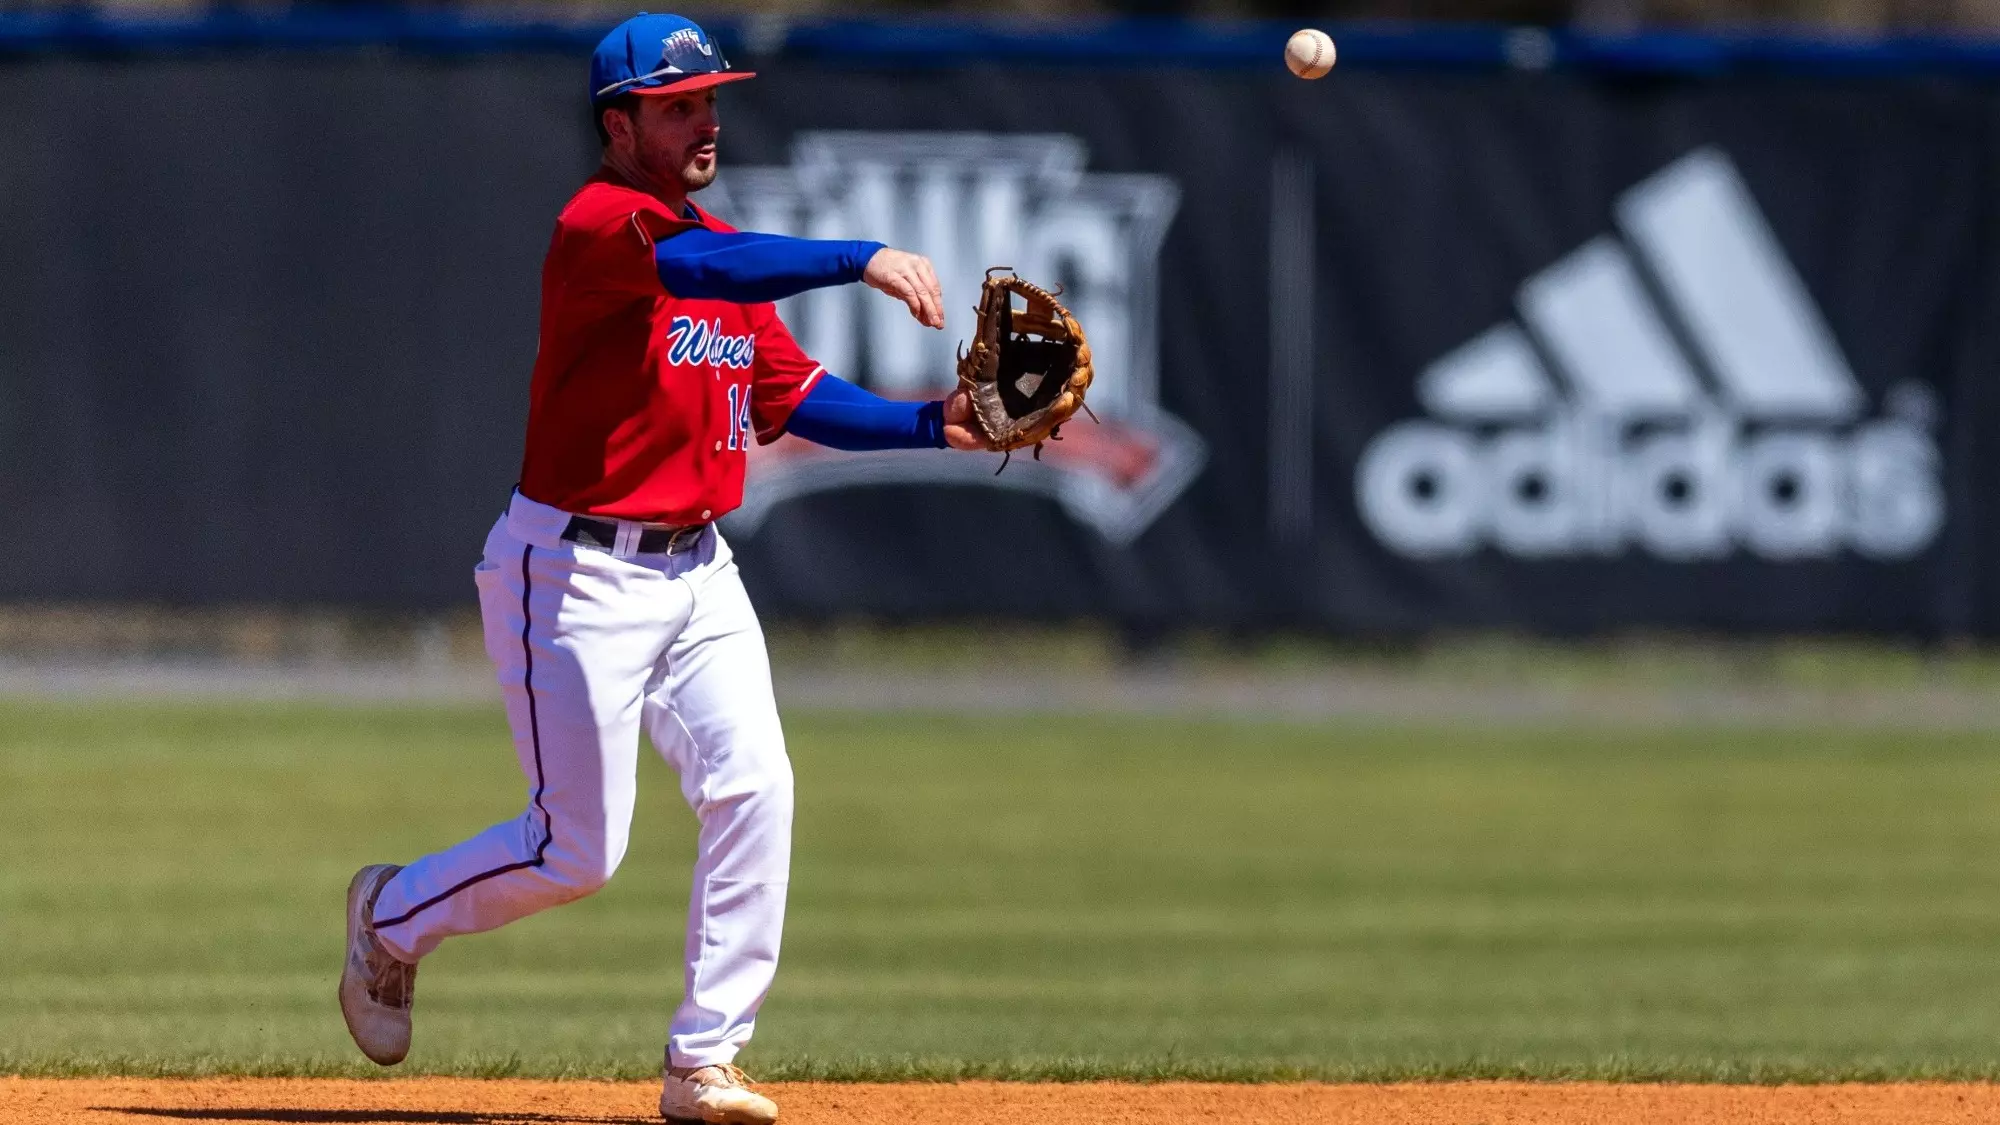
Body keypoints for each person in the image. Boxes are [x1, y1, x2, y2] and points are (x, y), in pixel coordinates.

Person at [337, 14, 988, 1123]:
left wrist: (937, 424)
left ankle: (703, 1063)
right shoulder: (602, 230)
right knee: (576, 851)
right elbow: (696, 262)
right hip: (575, 574)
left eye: (711, 99)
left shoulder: (711, 250)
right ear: (618, 122)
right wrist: (856, 256)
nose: (706, 119)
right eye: (678, 104)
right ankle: (390, 916)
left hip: (698, 571)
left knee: (757, 789)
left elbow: (796, 396)